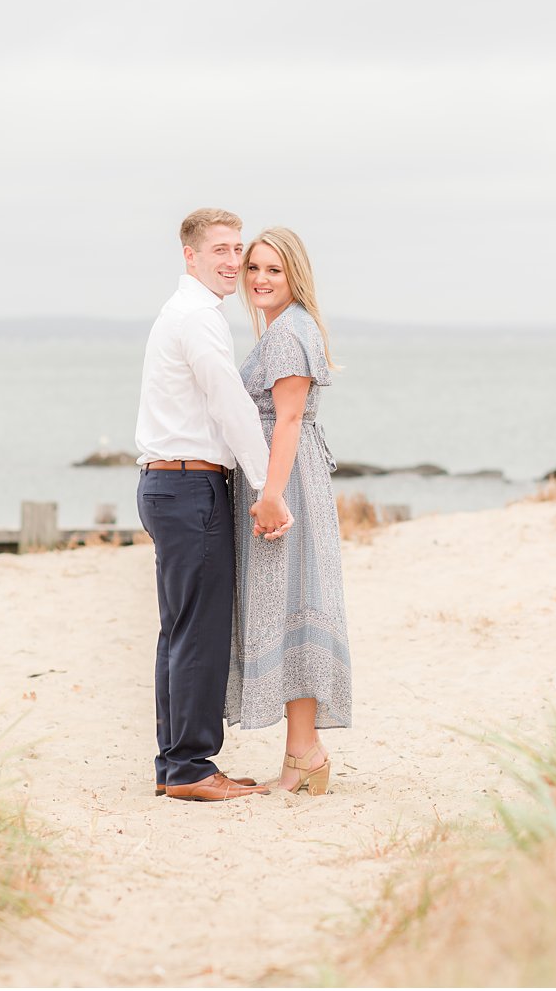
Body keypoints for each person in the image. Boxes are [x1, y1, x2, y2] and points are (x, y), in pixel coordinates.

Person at [135, 207, 289, 803]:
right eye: (220, 250)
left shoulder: (184, 314)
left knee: (178, 629)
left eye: (237, 249)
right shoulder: (197, 318)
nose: (233, 262)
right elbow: (230, 404)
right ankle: (192, 768)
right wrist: (265, 488)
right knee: (197, 631)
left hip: (169, 485)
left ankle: (174, 763)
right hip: (189, 487)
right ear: (190, 255)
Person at [224, 226, 351, 795]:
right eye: (254, 268)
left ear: (294, 274)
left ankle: (306, 752)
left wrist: (270, 495)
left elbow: (290, 420)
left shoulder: (288, 333)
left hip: (287, 483)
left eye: (273, 270)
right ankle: (302, 754)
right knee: (294, 603)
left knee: (291, 602)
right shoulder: (287, 327)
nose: (259, 279)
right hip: (291, 477)